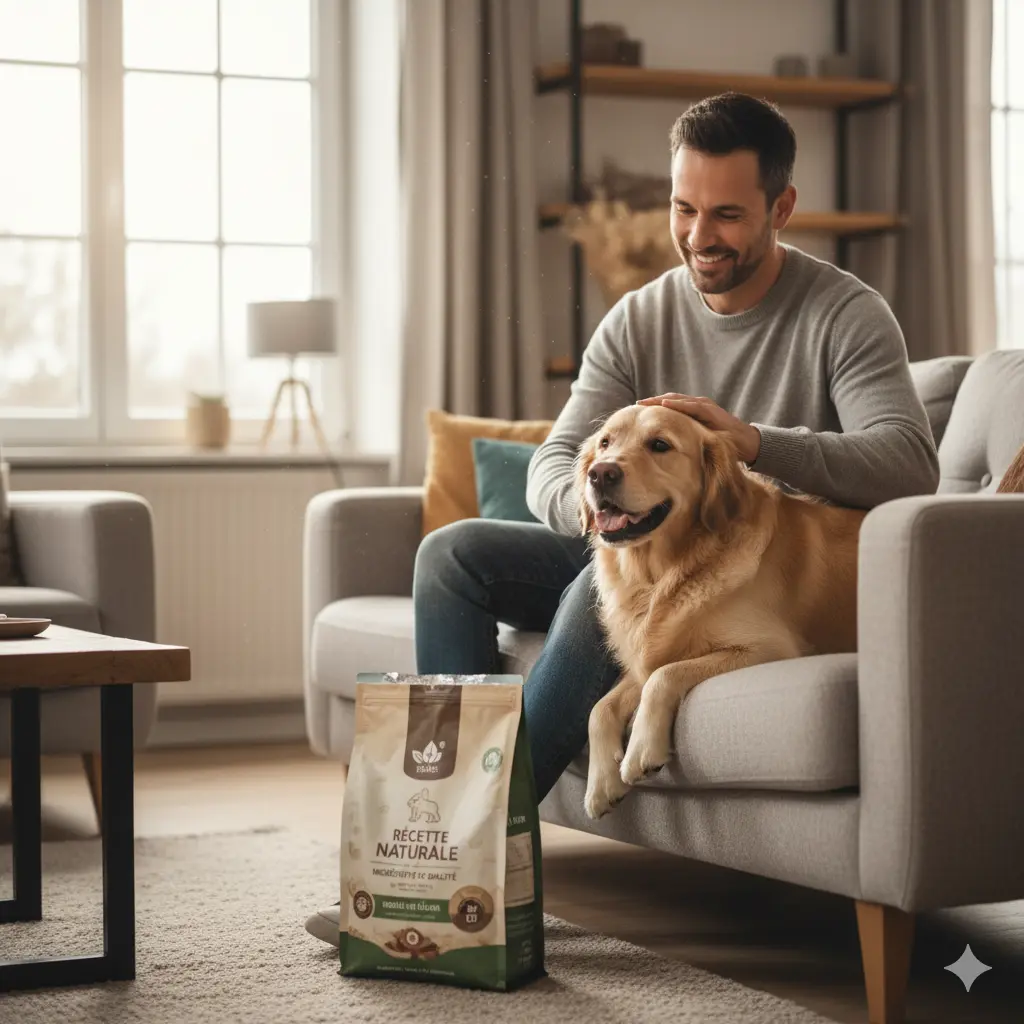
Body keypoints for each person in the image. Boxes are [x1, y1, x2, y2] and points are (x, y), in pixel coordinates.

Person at [304, 91, 939, 946]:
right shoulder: (639, 315)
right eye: (683, 208)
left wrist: (752, 441)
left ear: (781, 209)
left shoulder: (844, 313)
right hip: (619, 549)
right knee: (450, 556)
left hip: (732, 560)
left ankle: (458, 876)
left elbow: (909, 463)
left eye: (726, 215)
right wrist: (598, 513)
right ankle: (448, 828)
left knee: (582, 607)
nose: (698, 235)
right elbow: (556, 461)